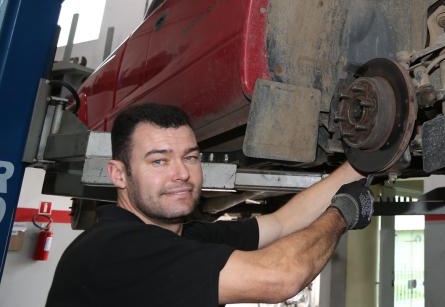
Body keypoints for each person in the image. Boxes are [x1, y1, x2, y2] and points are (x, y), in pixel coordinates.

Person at [46, 103, 373, 306]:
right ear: (119, 174)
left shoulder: (187, 238)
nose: (181, 173)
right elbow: (281, 276)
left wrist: (364, 164)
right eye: (159, 161)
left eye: (190, 157)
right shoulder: (115, 249)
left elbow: (281, 223)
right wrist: (342, 213)